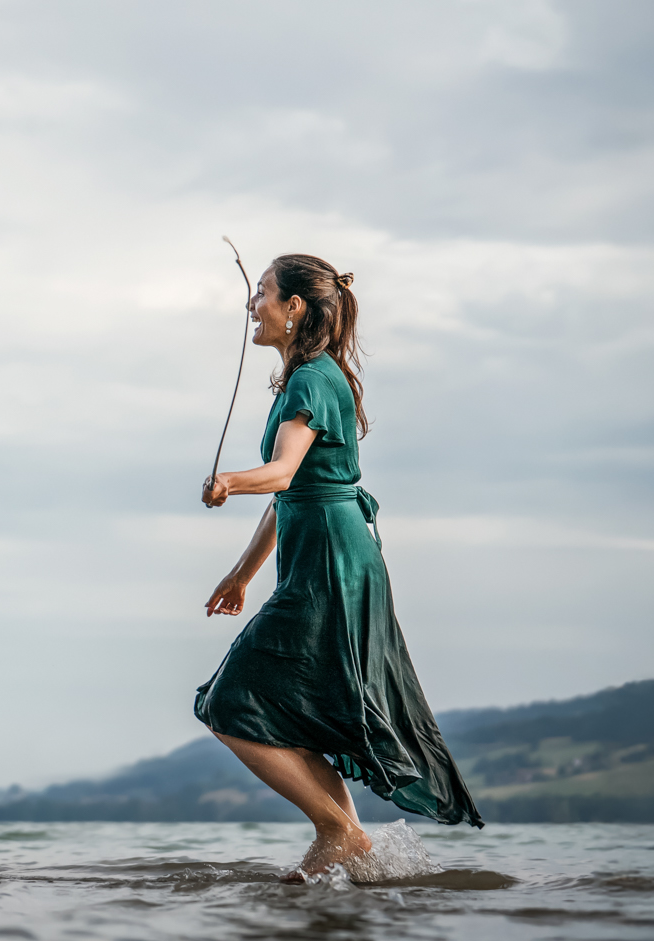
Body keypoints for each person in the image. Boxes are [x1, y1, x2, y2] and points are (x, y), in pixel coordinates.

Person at [197, 254, 482, 880]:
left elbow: (282, 475)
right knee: (289, 707)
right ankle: (344, 845)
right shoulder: (312, 377)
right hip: (324, 553)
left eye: (263, 293)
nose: (253, 305)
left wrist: (228, 481)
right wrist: (242, 574)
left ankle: (340, 832)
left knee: (231, 702)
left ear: (294, 307)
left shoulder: (310, 380)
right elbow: (291, 495)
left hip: (331, 560)